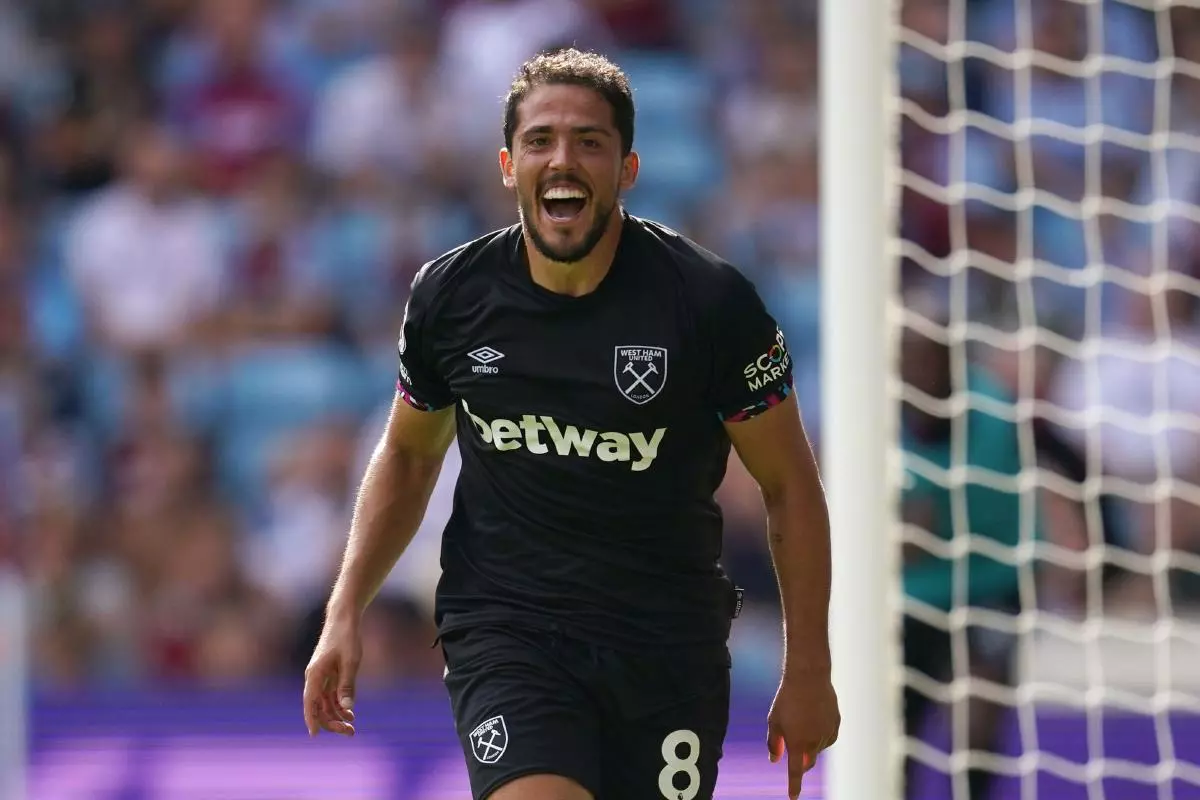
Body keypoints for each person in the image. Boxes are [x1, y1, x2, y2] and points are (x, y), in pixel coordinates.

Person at [301, 47, 839, 800]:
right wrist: (345, 610)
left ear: (628, 169)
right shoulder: (451, 297)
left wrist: (809, 666)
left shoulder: (710, 304)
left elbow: (788, 485)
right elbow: (410, 456)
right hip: (510, 633)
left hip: (665, 647)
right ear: (507, 165)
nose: (562, 159)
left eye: (589, 141)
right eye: (540, 140)